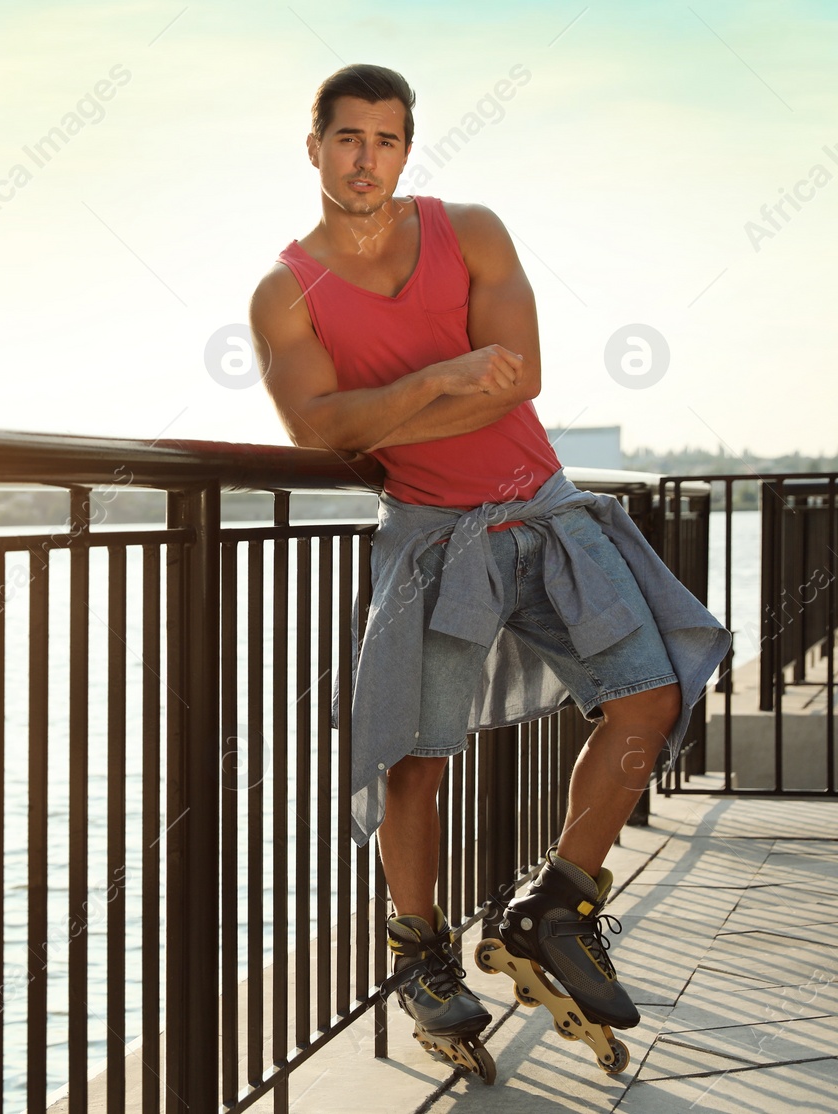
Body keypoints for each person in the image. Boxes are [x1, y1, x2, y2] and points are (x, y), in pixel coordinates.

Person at [247, 63, 730, 1078]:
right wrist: (445, 376)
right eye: (347, 138)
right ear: (314, 147)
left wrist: (395, 406)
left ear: (405, 150)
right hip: (428, 539)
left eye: (384, 139)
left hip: (543, 512)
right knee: (415, 756)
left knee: (649, 697)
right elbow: (318, 428)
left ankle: (552, 903)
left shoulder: (469, 231)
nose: (364, 157)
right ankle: (418, 952)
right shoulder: (286, 291)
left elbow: (521, 373)